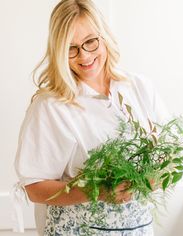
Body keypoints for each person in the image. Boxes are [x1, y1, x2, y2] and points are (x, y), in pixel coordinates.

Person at [14, 0, 169, 235]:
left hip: (138, 227)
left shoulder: (138, 87)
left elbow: (170, 151)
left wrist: (156, 177)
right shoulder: (51, 106)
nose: (83, 56)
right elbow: (34, 188)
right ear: (58, 50)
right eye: (71, 47)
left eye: (90, 42)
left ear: (104, 36)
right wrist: (97, 190)